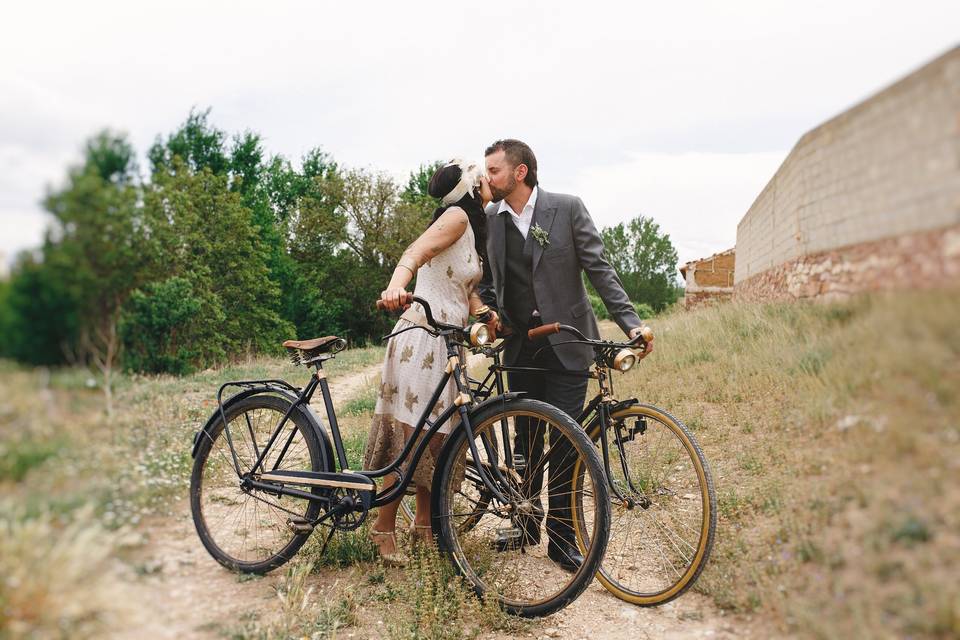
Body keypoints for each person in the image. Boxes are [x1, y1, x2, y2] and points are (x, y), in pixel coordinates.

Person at [478, 138, 653, 571]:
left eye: (494, 171)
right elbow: (487, 281)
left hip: (569, 344)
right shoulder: (491, 219)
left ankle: (562, 537)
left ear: (520, 173)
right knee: (527, 441)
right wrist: (490, 312)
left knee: (567, 444)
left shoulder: (568, 207)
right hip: (520, 348)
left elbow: (599, 268)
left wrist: (632, 323)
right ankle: (526, 522)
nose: (487, 179)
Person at [363, 159, 498, 565]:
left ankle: (423, 527)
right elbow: (415, 252)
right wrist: (394, 287)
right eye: (484, 175)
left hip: (450, 339)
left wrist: (484, 313)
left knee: (438, 437)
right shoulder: (456, 216)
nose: (490, 179)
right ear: (472, 187)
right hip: (422, 336)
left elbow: (463, 287)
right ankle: (382, 526)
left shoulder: (472, 229)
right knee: (413, 435)